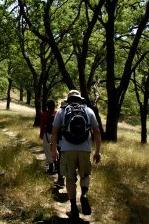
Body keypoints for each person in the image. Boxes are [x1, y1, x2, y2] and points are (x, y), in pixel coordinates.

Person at [50, 90, 102, 219]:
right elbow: (96, 132)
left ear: (68, 99)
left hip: (67, 149)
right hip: (85, 149)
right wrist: (97, 151)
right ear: (80, 99)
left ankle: (73, 207)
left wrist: (53, 149)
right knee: (85, 175)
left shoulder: (62, 111)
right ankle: (84, 194)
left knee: (70, 178)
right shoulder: (88, 111)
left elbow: (55, 132)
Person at [39, 99, 57, 174]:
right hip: (55, 135)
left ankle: (50, 168)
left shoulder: (44, 114)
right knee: (55, 150)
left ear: (47, 106)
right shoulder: (57, 113)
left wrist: (41, 135)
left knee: (48, 151)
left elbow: (42, 126)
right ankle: (57, 166)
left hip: (47, 135)